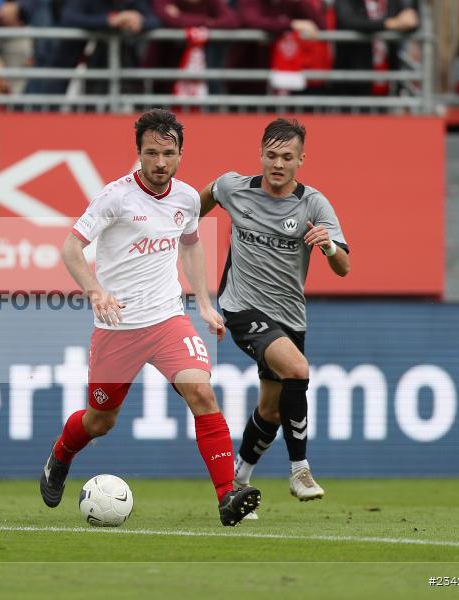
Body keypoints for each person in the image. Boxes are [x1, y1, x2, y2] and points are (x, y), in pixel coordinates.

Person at [40, 109, 261, 527]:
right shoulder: (115, 197)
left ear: (181, 153)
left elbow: (191, 246)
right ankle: (62, 453)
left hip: (166, 321)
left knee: (202, 395)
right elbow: (71, 248)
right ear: (138, 152)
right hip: (117, 327)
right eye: (152, 153)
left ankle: (227, 496)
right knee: (100, 420)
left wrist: (204, 303)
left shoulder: (187, 198)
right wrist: (95, 290)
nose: (160, 162)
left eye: (169, 153)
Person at [198, 118, 350, 517]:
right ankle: (299, 470)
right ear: (260, 154)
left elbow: (344, 268)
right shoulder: (235, 188)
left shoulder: (313, 204)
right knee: (298, 369)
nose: (277, 163)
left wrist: (330, 247)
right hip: (241, 308)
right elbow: (201, 201)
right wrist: (173, 228)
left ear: (301, 159)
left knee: (270, 409)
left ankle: (239, 480)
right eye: (271, 155)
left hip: (290, 318)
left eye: (287, 156)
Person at [333, 0, 419, 97]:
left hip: (386, 82)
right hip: (354, 83)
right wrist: (389, 24)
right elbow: (348, 21)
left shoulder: (391, 3)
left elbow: (409, 21)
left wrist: (409, 17)